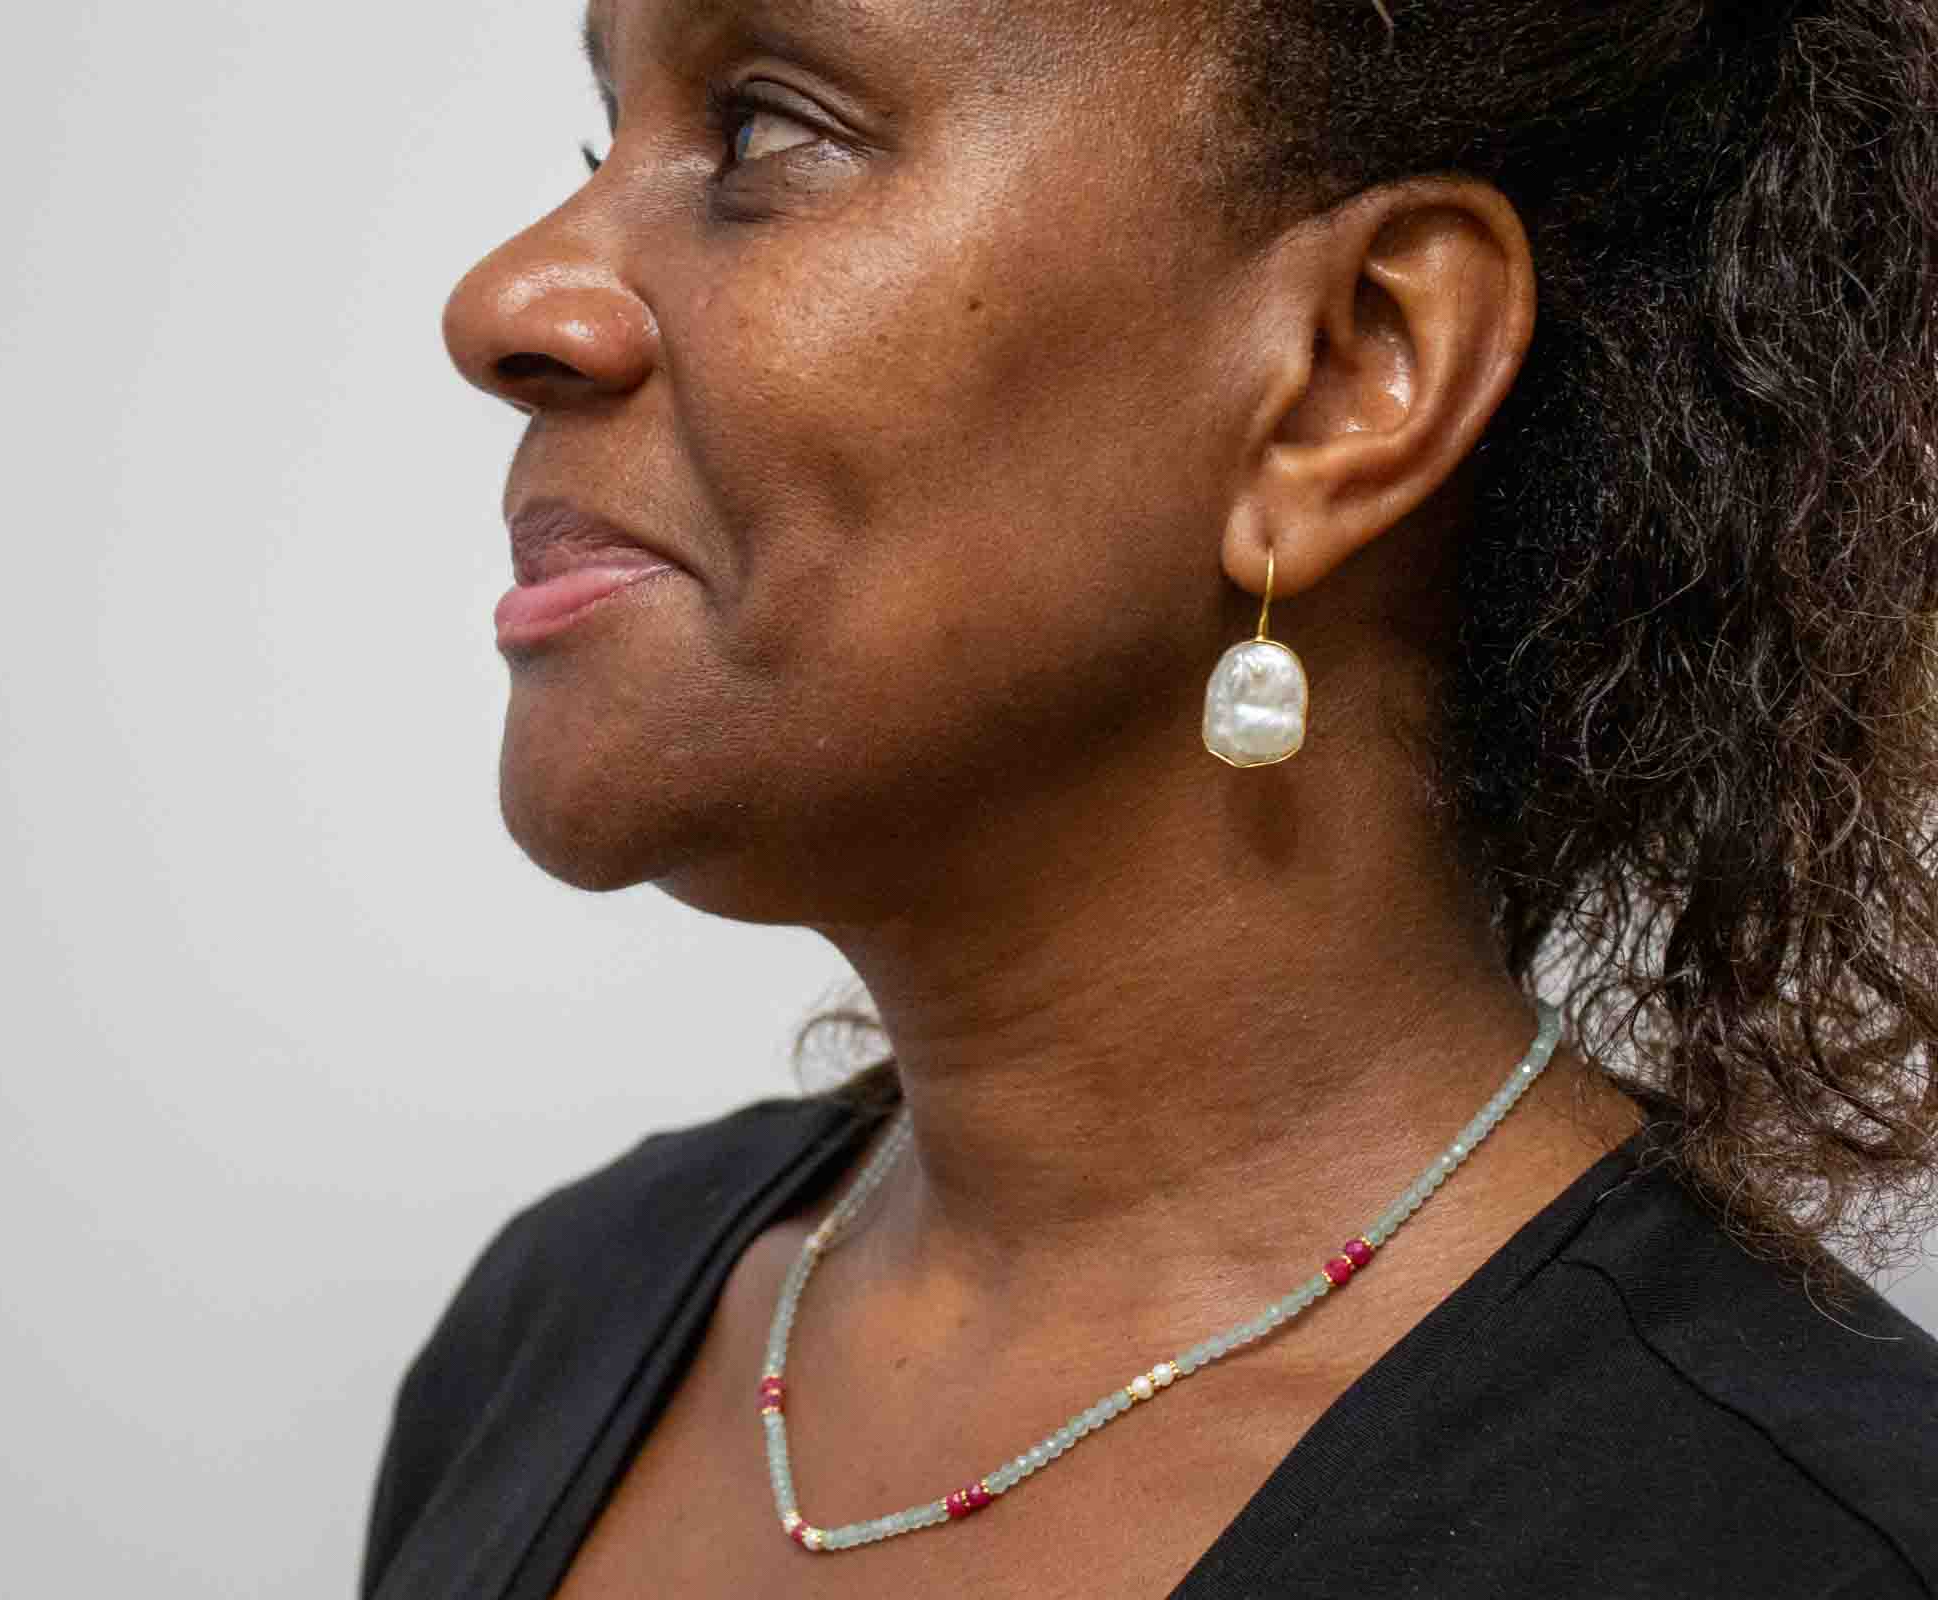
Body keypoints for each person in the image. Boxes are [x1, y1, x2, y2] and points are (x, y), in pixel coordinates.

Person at [365, 0, 1938, 1593]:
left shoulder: (1785, 1545)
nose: (507, 302)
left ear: (1345, 376)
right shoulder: (556, 1327)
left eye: (767, 131)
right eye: (600, 136)